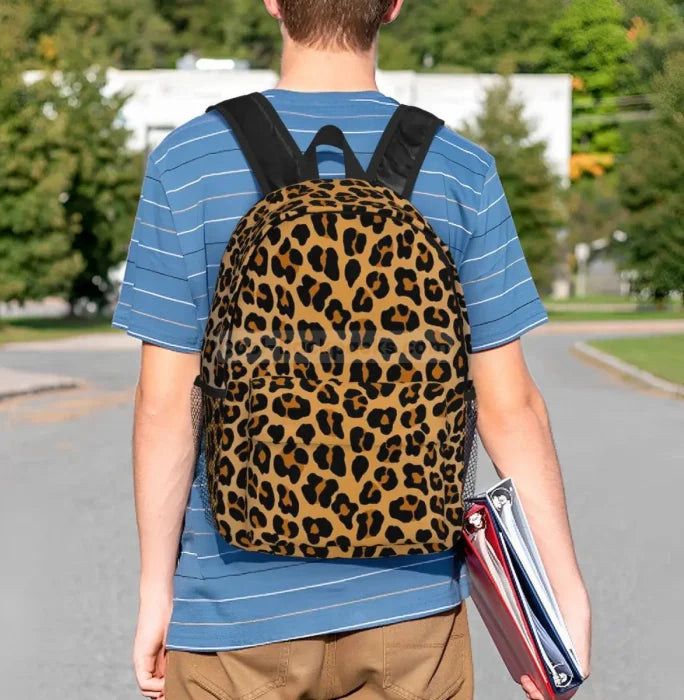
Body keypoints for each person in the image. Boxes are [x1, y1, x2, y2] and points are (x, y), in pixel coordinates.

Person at [112, 1, 592, 698]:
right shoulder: (460, 169)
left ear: (274, 2)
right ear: (393, 5)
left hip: (233, 612)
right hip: (412, 610)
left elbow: (164, 402)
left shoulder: (188, 163)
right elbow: (510, 405)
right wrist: (561, 592)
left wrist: (158, 591)